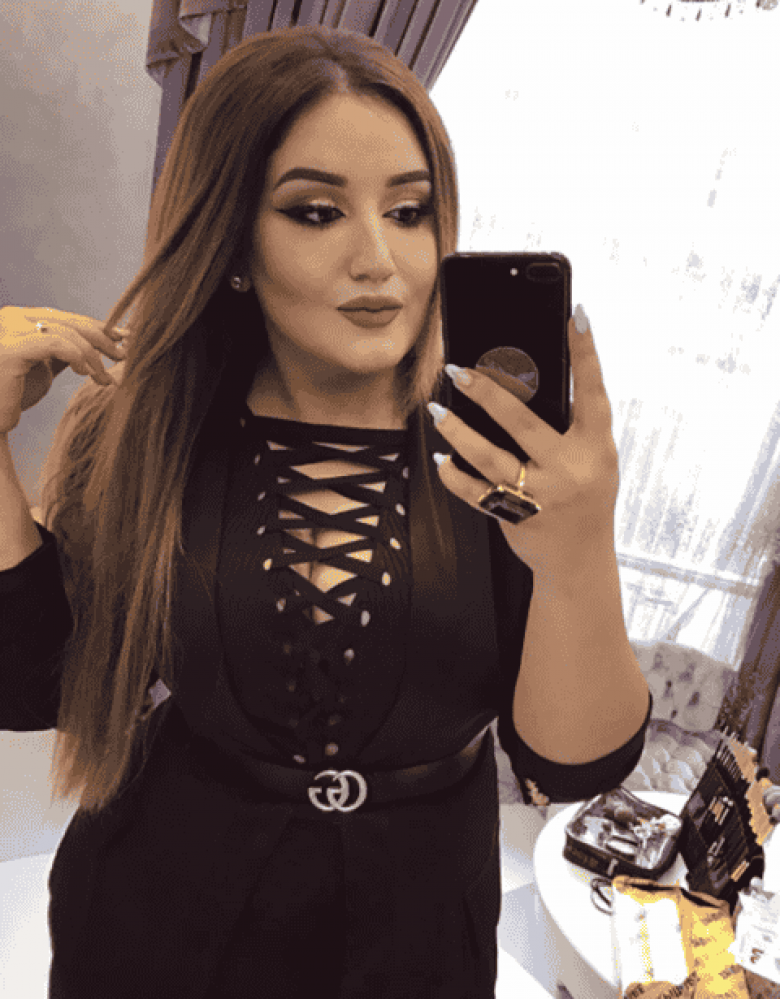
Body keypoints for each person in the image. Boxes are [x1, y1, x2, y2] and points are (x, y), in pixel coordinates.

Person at [0, 24, 659, 999]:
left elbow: (573, 766)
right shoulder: (146, 429)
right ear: (233, 240)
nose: (379, 259)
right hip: (156, 921)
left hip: (417, 933)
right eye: (316, 212)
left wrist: (578, 555)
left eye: (409, 211)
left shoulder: (497, 451)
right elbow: (37, 688)